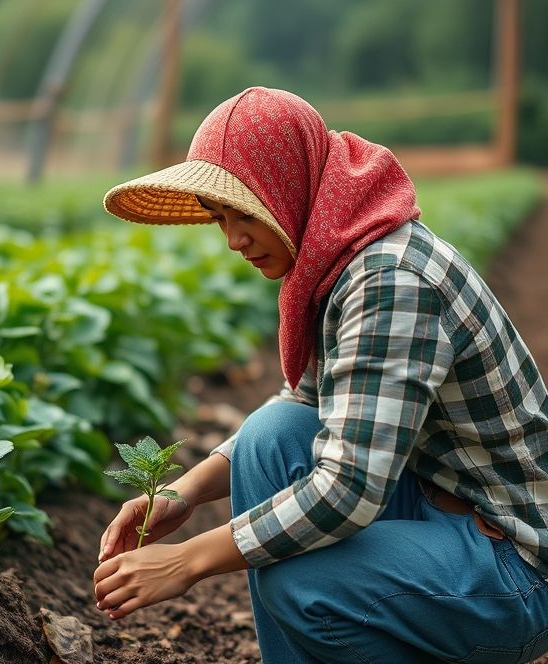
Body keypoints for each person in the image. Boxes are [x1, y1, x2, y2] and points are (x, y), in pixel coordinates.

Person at [93, 86, 548, 663]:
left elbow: (350, 489)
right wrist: (182, 496)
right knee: (270, 436)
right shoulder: (343, 257)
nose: (233, 240)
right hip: (443, 508)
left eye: (246, 214)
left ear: (289, 191)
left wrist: (189, 561)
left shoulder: (390, 281)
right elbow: (305, 400)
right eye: (220, 218)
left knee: (300, 584)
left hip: (516, 565)